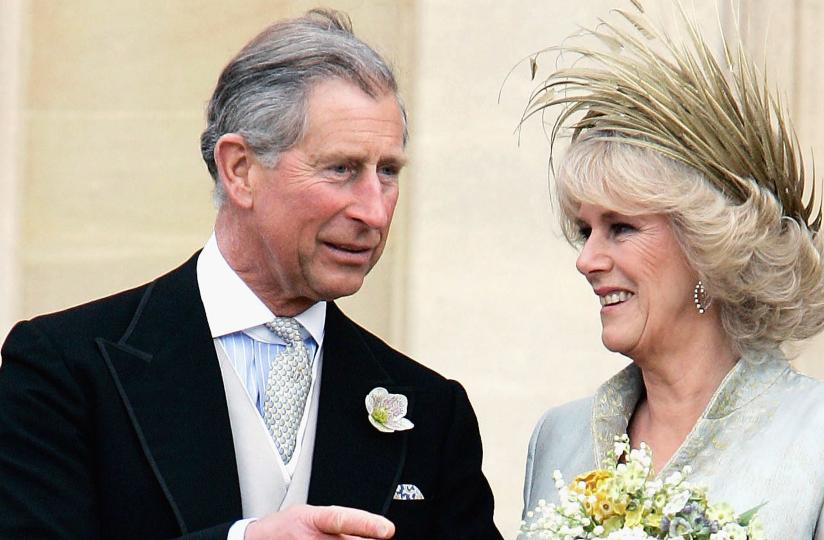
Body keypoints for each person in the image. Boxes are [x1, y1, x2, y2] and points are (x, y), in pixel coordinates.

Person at [0, 9, 501, 540]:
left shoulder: (431, 409)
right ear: (239, 169)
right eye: (341, 169)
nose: (374, 213)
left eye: (388, 172)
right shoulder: (65, 369)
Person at [519, 3, 824, 538]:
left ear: (708, 248)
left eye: (621, 228)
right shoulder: (558, 436)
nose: (587, 259)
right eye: (584, 229)